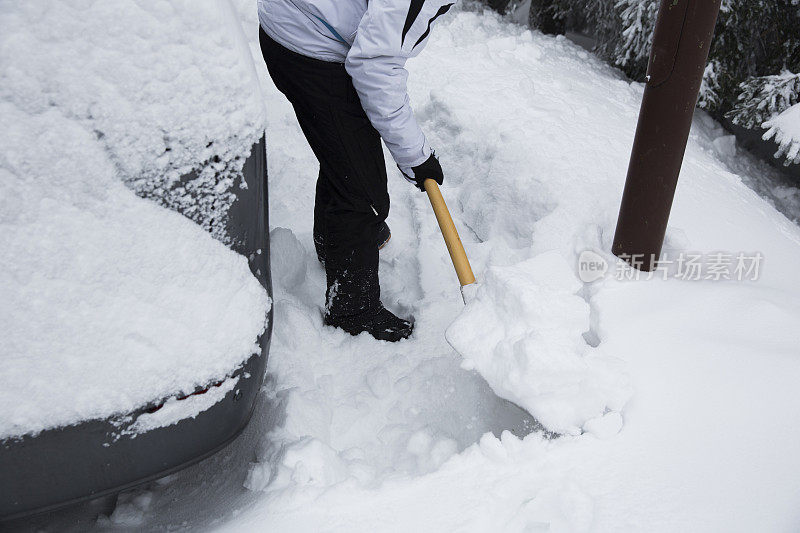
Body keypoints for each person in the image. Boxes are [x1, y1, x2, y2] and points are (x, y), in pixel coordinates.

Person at [258, 0, 453, 342]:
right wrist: (416, 157)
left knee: (345, 153)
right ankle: (353, 310)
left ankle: (335, 240)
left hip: (298, 20)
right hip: (307, 43)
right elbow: (374, 66)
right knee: (364, 193)